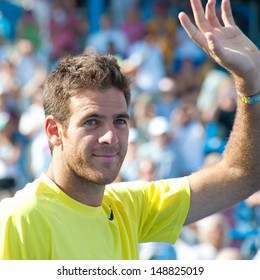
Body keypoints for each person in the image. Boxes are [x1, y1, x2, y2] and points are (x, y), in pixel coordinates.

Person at [0, 0, 260, 260]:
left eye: (120, 121)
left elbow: (243, 173)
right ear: (54, 131)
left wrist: (250, 84)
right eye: (92, 121)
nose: (110, 136)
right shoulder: (21, 218)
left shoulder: (130, 207)